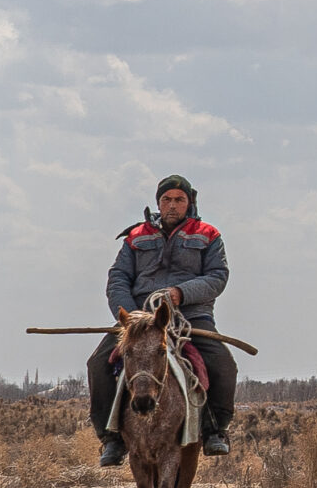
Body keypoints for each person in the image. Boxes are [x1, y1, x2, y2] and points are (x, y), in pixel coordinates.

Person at [88, 175, 236, 463]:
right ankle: (111, 438)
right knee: (97, 363)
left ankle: (215, 430)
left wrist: (181, 293)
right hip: (139, 318)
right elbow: (118, 277)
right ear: (158, 202)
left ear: (189, 203)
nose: (172, 205)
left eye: (179, 200)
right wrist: (130, 317)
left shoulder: (208, 234)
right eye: (166, 199)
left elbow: (218, 277)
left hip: (191, 316)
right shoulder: (135, 237)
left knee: (223, 363)